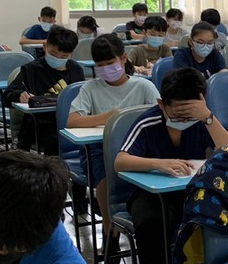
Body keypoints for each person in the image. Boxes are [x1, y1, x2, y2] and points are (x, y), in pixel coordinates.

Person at [114, 68, 228, 264]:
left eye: (189, 114)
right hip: (150, 195)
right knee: (151, 224)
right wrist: (159, 163)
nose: (184, 120)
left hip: (189, 192)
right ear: (161, 104)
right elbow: (120, 161)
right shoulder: (147, 122)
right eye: (178, 115)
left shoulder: (202, 121)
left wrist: (207, 117)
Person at [68, 35, 160, 228]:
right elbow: (73, 121)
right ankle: (110, 229)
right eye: (100, 65)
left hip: (139, 147)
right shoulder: (90, 88)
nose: (106, 69)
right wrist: (111, 117)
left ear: (124, 58)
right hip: (99, 148)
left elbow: (160, 118)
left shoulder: (144, 86)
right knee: (105, 175)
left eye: (110, 63)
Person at [5, 26, 85, 154]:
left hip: (69, 121)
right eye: (53, 54)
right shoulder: (31, 70)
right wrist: (20, 95)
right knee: (55, 141)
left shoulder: (76, 70)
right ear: (45, 46)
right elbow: (7, 96)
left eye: (64, 56)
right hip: (41, 125)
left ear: (72, 54)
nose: (57, 59)